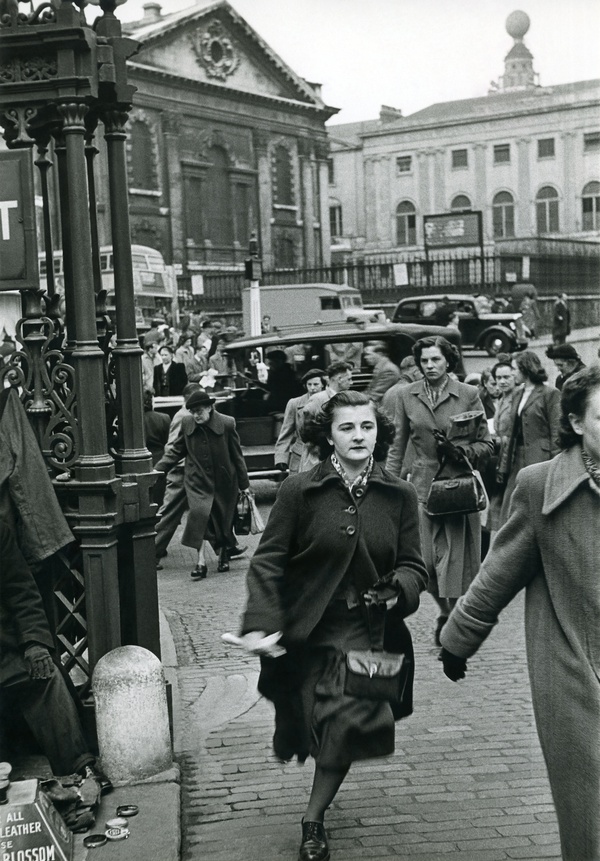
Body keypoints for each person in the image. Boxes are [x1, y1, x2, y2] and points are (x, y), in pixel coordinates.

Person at [234, 391, 428, 861]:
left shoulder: (398, 494)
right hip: (307, 631)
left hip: (369, 632)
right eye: (347, 428)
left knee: (345, 725)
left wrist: (397, 588)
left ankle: (313, 820)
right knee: (307, 724)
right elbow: (269, 562)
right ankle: (303, 744)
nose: (359, 436)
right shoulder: (299, 490)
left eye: (367, 426)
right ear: (328, 436)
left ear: (378, 433)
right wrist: (261, 622)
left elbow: (415, 566)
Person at [440, 364, 600, 861]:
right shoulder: (540, 486)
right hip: (576, 673)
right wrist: (456, 638)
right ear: (576, 423)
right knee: (592, 816)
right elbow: (499, 571)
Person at [385, 336, 493, 645]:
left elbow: (487, 444)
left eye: (435, 360)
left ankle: (451, 617)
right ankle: (448, 613)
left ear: (449, 361)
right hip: (421, 487)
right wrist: (390, 487)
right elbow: (397, 446)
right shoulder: (406, 395)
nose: (429, 366)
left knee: (456, 564)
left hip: (458, 487)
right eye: (424, 361)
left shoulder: (469, 394)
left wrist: (462, 453)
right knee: (426, 564)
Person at [0, 519, 110, 791]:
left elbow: (21, 592)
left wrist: (33, 643)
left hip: (5, 652)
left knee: (46, 676)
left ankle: (78, 768)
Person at [155, 390, 249, 578]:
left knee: (223, 520)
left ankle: (223, 554)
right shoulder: (187, 423)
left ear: (209, 407)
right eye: (192, 411)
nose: (196, 415)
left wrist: (244, 484)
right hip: (197, 481)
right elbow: (177, 450)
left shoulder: (227, 423)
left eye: (199, 411)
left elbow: (237, 456)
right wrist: (158, 469)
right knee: (199, 518)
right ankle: (201, 562)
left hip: (224, 481)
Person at [498, 351, 561, 526]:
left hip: (541, 457)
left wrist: (556, 463)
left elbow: (556, 430)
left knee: (537, 503)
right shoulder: (517, 394)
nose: (512, 373)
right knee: (510, 504)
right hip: (517, 456)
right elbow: (511, 432)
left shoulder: (550, 393)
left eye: (515, 369)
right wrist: (504, 465)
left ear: (526, 369)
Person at [273, 368, 326, 475]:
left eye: (316, 384)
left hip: (323, 453)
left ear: (323, 385)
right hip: (300, 454)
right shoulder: (295, 403)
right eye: (309, 384)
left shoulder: (330, 402)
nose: (312, 388)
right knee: (297, 487)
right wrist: (281, 458)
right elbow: (286, 432)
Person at [264, 350, 303, 414]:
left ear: (279, 361)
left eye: (271, 363)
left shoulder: (284, 374)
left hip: (281, 405)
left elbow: (278, 391)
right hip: (278, 402)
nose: (270, 366)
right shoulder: (278, 372)